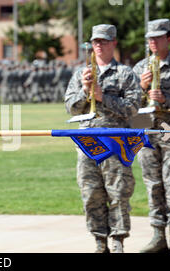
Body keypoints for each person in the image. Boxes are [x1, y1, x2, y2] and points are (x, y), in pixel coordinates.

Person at [64, 24, 141, 253]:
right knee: (90, 193)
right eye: (96, 42)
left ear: (114, 43)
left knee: (118, 192)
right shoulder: (81, 73)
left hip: (115, 142)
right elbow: (70, 107)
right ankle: (99, 241)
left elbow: (133, 108)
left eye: (104, 41)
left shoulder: (125, 74)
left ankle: (117, 240)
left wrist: (102, 97)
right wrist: (85, 91)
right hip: (88, 143)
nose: (99, 45)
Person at [132, 19, 170, 253]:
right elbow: (128, 104)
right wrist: (140, 87)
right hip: (145, 127)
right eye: (149, 39)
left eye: (157, 38)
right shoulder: (139, 68)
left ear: (169, 39)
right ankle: (158, 235)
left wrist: (167, 100)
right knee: (152, 184)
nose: (152, 42)